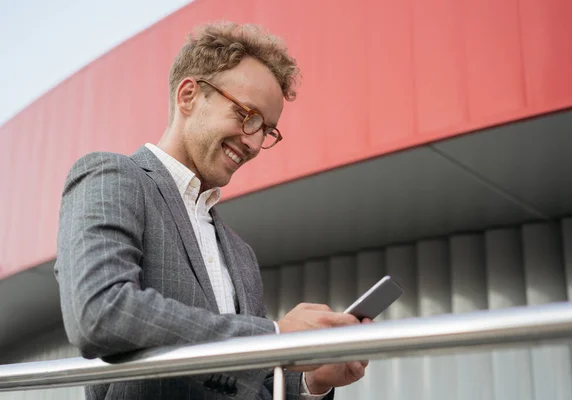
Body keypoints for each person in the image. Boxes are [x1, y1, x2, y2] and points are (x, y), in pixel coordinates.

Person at [55, 21, 370, 399]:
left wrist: (311, 381)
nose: (254, 143)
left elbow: (250, 384)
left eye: (266, 130)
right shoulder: (111, 177)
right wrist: (273, 336)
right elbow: (101, 312)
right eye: (246, 115)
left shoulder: (240, 254)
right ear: (188, 95)